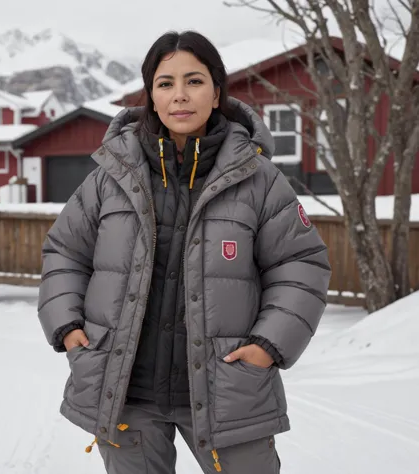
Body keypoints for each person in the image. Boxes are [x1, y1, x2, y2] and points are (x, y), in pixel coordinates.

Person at [37, 30, 331, 474]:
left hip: (228, 388)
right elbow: (64, 252)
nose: (180, 96)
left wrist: (267, 346)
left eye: (194, 81)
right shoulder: (109, 177)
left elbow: (301, 265)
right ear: (151, 96)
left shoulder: (260, 180)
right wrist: (67, 327)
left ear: (216, 92)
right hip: (127, 392)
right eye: (165, 83)